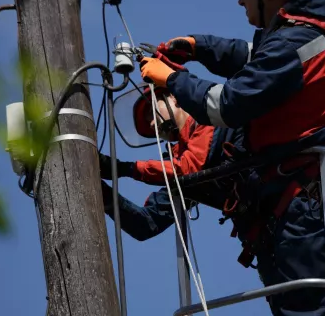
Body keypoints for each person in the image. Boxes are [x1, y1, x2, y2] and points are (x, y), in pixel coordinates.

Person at [139, 0, 325, 316]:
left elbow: (224, 105)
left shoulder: (290, 46)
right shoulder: (300, 37)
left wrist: (171, 78)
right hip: (304, 208)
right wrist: (196, 46)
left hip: (304, 208)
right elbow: (247, 55)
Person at [98, 84, 247, 241]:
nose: (152, 124)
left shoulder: (209, 116)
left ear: (174, 97)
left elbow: (189, 167)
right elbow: (146, 224)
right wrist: (101, 191)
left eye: (151, 111)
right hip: (263, 238)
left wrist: (126, 169)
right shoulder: (181, 167)